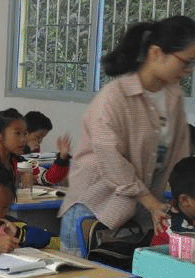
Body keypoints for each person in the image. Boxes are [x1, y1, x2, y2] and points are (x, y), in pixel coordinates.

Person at [59, 16, 195, 255]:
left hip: (140, 217)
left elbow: (178, 156)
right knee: (86, 277)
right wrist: (151, 202)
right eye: (185, 62)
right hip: (95, 211)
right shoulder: (114, 97)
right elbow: (111, 160)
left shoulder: (173, 97)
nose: (188, 71)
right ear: (156, 53)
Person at [0, 109, 70, 187]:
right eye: (18, 134)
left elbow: (48, 178)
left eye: (24, 134)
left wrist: (62, 158)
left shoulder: (19, 162)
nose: (23, 139)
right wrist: (19, 182)